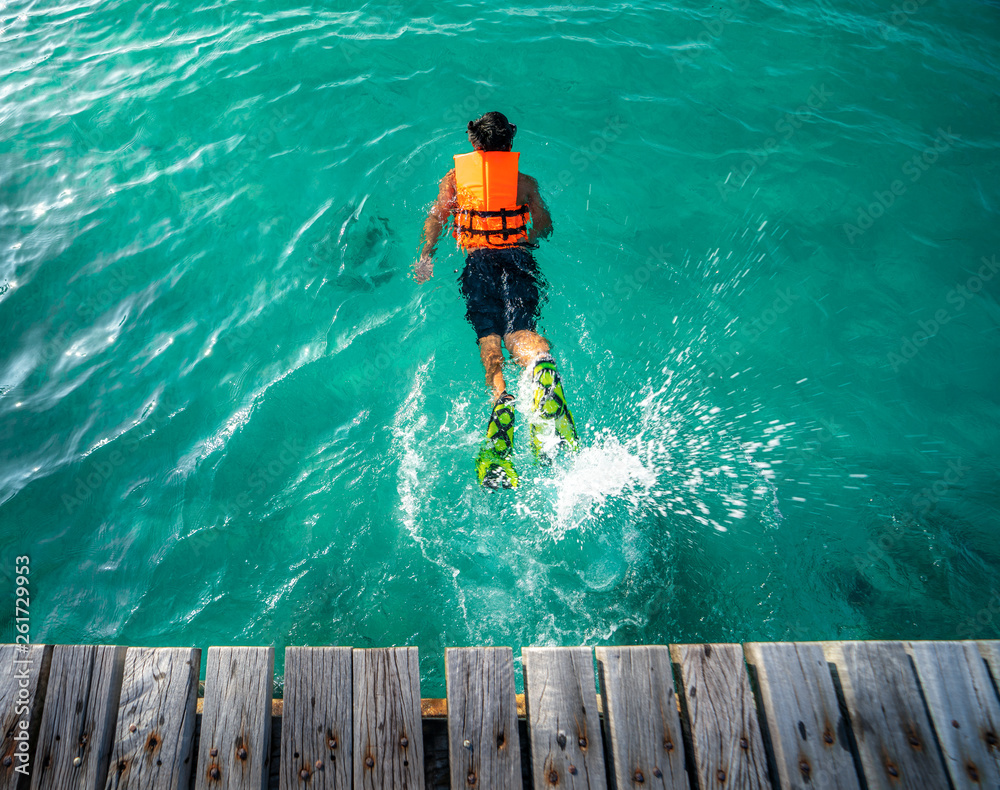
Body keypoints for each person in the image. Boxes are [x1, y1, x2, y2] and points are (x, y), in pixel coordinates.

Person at [415, 111, 578, 489]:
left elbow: (437, 218)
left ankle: (501, 397)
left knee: (488, 336)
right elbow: (543, 224)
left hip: (477, 264)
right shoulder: (524, 183)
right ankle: (540, 367)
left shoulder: (455, 179)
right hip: (517, 259)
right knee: (521, 330)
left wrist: (426, 257)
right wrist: (528, 242)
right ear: (510, 143)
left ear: (475, 143)